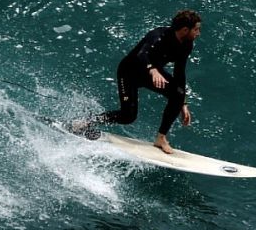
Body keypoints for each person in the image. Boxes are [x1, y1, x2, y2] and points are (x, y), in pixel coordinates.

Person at [72, 10, 201, 154]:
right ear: (185, 30)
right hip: (129, 72)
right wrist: (152, 69)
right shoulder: (158, 35)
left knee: (178, 93)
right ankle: (86, 122)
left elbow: (179, 73)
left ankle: (160, 138)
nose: (198, 33)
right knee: (128, 116)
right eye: (196, 29)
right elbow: (142, 54)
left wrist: (182, 103)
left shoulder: (186, 44)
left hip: (152, 74)